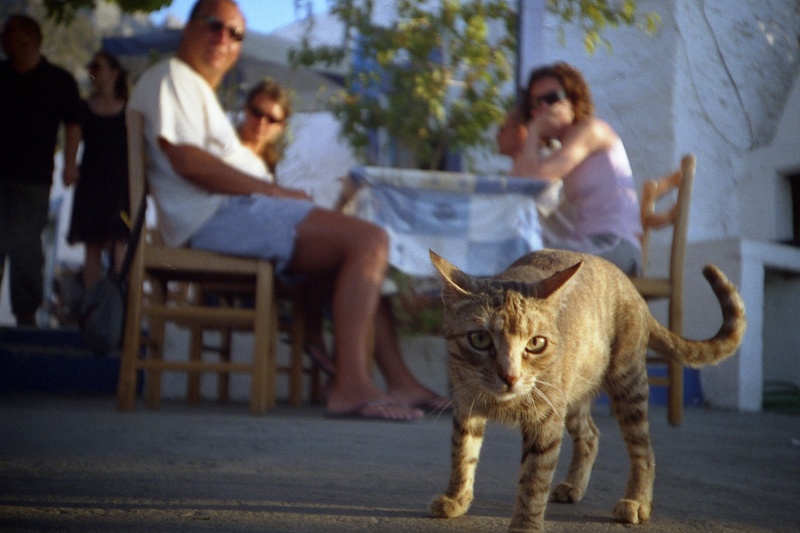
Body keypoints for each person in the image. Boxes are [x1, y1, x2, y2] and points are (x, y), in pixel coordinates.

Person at [128, 0, 441, 420]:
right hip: (214, 217)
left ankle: (399, 381)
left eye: (235, 33)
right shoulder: (171, 77)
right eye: (213, 25)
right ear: (188, 27)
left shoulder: (197, 92)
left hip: (235, 213)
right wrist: (274, 193)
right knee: (369, 240)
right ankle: (349, 386)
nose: (223, 38)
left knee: (366, 254)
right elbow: (186, 161)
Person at [237, 76, 449, 415]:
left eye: (272, 119)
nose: (261, 123)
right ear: (243, 111)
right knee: (363, 250)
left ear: (282, 127)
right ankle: (360, 378)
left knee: (367, 262)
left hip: (278, 243)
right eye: (255, 112)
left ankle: (394, 381)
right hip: (255, 247)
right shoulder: (231, 154)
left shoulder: (266, 166)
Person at [511, 62, 643, 275]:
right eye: (536, 103)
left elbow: (537, 177)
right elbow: (523, 183)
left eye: (552, 98)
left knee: (531, 264)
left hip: (615, 245)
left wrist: (533, 130)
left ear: (572, 99)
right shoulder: (563, 147)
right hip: (587, 244)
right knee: (518, 260)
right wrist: (531, 134)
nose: (544, 108)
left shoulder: (591, 130)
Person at [0, 14, 82, 326]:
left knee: (25, 248)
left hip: (33, 177)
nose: (4, 41)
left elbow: (73, 125)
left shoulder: (59, 81)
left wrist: (70, 165)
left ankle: (25, 316)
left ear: (29, 41)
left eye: (10, 35)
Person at [65, 50, 130, 290]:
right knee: (91, 246)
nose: (92, 71)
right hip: (91, 183)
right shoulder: (83, 107)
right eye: (91, 67)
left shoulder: (129, 110)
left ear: (114, 73)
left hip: (119, 185)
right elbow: (72, 138)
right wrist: (69, 168)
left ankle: (118, 302)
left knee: (117, 243)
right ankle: (93, 306)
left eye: (97, 67)